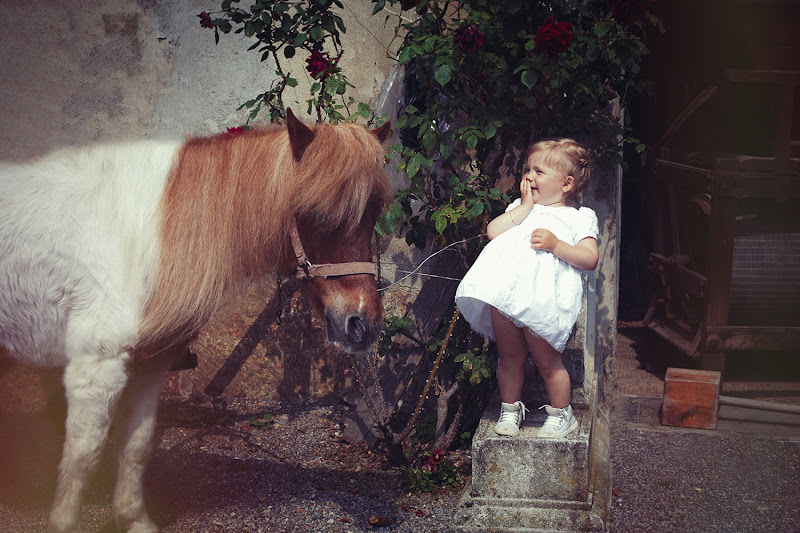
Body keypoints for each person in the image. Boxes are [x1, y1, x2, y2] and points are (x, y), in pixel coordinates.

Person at [455, 138, 599, 438]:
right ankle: (510, 410)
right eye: (528, 170)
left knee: (548, 361)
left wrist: (557, 245)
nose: (529, 176)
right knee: (509, 357)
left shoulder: (578, 217)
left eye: (539, 171)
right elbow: (493, 232)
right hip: (506, 298)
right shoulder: (519, 210)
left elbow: (589, 258)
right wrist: (524, 208)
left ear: (567, 184)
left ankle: (562, 414)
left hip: (543, 301)